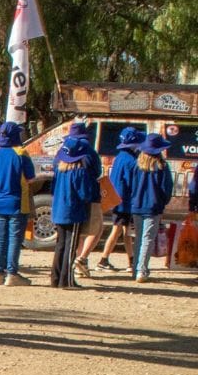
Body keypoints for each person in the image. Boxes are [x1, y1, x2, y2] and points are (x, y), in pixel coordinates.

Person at [50, 121, 101, 288]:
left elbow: (53, 189)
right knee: (71, 246)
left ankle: (55, 278)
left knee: (60, 245)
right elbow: (85, 194)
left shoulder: (59, 170)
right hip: (75, 210)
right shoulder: (80, 172)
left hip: (58, 209)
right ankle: (66, 280)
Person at [0, 120, 34, 285]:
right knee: (14, 239)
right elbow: (30, 177)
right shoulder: (21, 153)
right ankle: (12, 274)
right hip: (17, 202)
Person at [96, 125, 144, 271]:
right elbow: (133, 183)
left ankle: (131, 260)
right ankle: (103, 259)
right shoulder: (132, 161)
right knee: (116, 230)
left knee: (126, 231)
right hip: (125, 202)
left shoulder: (120, 157)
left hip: (116, 199)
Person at [129, 132, 174, 284]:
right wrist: (163, 203)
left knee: (139, 238)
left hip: (136, 206)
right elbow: (166, 188)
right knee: (147, 239)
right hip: (153, 207)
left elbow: (131, 186)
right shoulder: (162, 166)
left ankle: (135, 268)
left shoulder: (136, 165)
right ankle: (141, 270)